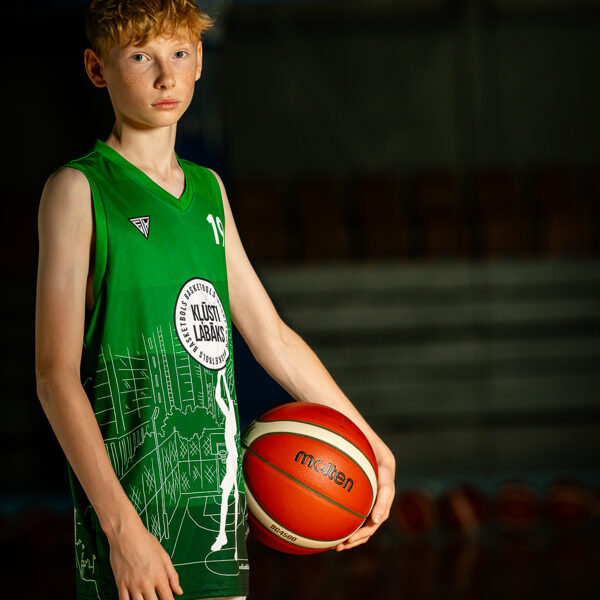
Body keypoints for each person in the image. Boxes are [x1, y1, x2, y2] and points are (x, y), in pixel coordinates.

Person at [35, 1, 396, 599]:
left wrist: (367, 441)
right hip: (131, 519)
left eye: (178, 53)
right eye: (140, 57)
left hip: (218, 521)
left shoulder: (208, 189)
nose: (165, 76)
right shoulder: (78, 189)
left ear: (200, 60)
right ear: (97, 68)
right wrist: (123, 532)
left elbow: (270, 335)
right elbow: (55, 377)